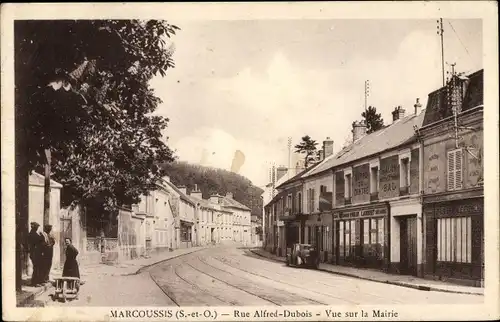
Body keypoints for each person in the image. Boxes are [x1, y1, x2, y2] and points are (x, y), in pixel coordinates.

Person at [28, 222, 44, 286]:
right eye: (37, 227)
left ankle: (35, 282)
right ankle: (34, 282)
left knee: (36, 267)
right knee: (36, 268)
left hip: (34, 253)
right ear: (34, 227)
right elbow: (41, 240)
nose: (37, 228)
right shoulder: (33, 234)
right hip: (35, 253)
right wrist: (41, 235)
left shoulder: (31, 233)